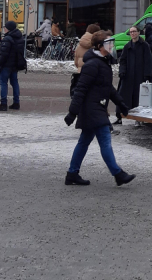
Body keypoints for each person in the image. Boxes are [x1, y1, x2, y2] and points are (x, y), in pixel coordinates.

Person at [64, 31, 135, 187]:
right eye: (108, 43)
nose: (112, 46)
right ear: (99, 46)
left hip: (97, 107)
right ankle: (118, 174)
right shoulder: (93, 65)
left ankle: (72, 174)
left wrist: (121, 104)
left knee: (84, 142)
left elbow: (108, 88)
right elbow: (80, 89)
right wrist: (72, 112)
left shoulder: (103, 62)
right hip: (92, 108)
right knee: (104, 140)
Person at [117, 27, 152, 112]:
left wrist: (147, 74)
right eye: (131, 32)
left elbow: (148, 61)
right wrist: (122, 71)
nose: (132, 33)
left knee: (138, 97)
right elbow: (123, 60)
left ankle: (138, 117)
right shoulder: (127, 46)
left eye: (134, 31)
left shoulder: (144, 45)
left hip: (140, 75)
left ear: (138, 33)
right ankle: (120, 115)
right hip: (128, 76)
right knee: (123, 95)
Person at [0, 20, 24, 111]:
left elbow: (4, 54)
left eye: (5, 27)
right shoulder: (19, 37)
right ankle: (16, 102)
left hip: (6, 65)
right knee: (14, 83)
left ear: (9, 29)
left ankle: (3, 104)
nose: (4, 29)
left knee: (3, 83)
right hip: (15, 64)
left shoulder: (7, 39)